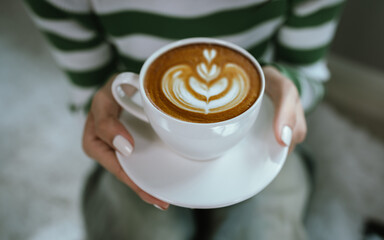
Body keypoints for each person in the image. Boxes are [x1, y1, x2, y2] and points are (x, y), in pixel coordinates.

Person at [24, 0, 345, 239]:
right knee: (139, 228)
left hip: (257, 123)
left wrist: (286, 88)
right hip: (145, 131)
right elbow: (92, 87)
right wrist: (105, 106)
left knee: (266, 225)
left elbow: (307, 75)